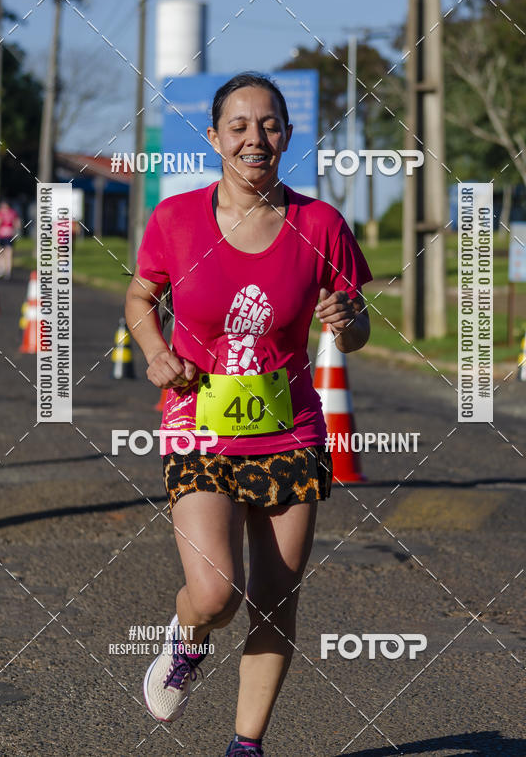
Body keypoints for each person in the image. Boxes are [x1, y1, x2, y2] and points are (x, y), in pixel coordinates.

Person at [125, 72, 372, 757]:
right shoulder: (175, 220)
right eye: (238, 125)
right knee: (215, 592)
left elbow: (355, 331)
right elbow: (142, 296)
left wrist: (348, 320)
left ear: (287, 137)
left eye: (268, 124)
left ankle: (246, 746)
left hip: (289, 430)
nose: (253, 137)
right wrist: (153, 352)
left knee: (275, 597)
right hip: (199, 425)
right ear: (213, 137)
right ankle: (187, 642)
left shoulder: (320, 224)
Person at [0, 200, 21, 279]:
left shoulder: (2, 213)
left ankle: (4, 270)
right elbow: (18, 224)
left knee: (5, 253)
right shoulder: (12, 213)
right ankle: (4, 270)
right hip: (6, 235)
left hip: (5, 235)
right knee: (5, 253)